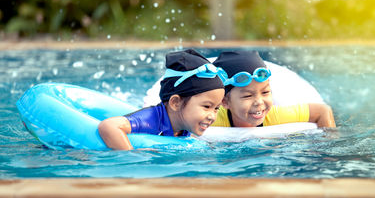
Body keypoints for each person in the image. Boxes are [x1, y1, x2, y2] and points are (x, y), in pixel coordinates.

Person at [98, 49, 226, 150]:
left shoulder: (184, 126)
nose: (212, 116)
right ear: (175, 103)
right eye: (206, 106)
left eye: (216, 108)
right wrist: (132, 155)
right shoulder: (150, 120)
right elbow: (108, 126)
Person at [212, 50, 336, 128]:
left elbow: (322, 111)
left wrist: (329, 144)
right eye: (247, 96)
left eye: (265, 92)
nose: (259, 102)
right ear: (225, 102)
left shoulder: (274, 116)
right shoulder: (213, 117)